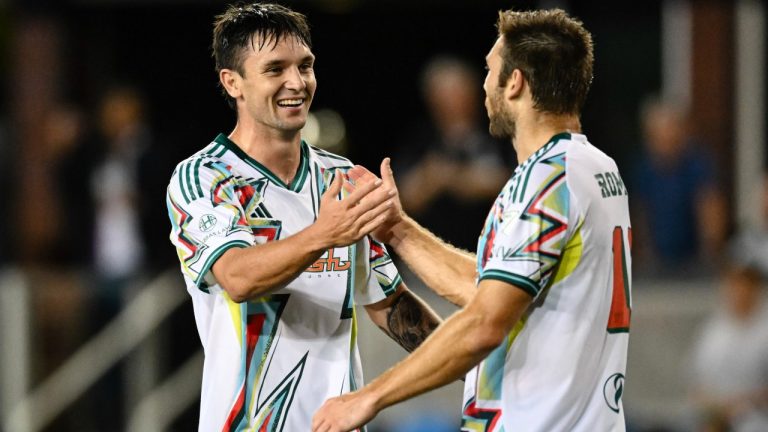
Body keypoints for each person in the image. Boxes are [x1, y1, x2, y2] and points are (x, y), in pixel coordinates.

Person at [313, 8, 631, 432]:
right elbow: (491, 292)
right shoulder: (595, 168)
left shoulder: (546, 178)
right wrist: (398, 229)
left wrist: (368, 398)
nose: (484, 85)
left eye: (489, 70)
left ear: (514, 82)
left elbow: (484, 324)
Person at [165, 3, 441, 431]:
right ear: (232, 82)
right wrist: (323, 234)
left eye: (305, 66)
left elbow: (390, 305)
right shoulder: (204, 177)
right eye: (275, 69)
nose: (297, 82)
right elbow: (237, 278)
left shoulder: (342, 179)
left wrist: (478, 363)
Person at [396, 56, 510, 251]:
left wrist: (462, 180)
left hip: (490, 253)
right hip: (430, 255)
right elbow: (403, 199)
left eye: (459, 93)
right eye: (445, 96)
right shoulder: (421, 140)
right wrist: (433, 177)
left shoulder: (498, 134)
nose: (453, 103)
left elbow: (512, 183)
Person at [630, 96, 727, 276]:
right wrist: (643, 253)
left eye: (670, 132)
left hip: (694, 261)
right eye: (658, 136)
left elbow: (710, 208)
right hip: (657, 262)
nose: (665, 141)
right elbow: (640, 212)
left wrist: (710, 253)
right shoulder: (644, 170)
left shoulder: (697, 165)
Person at [688, 242, 768, 431]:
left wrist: (739, 404)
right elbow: (695, 386)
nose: (739, 290)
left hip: (756, 420)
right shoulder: (712, 330)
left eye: (746, 283)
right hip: (714, 420)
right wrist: (715, 409)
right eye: (734, 281)